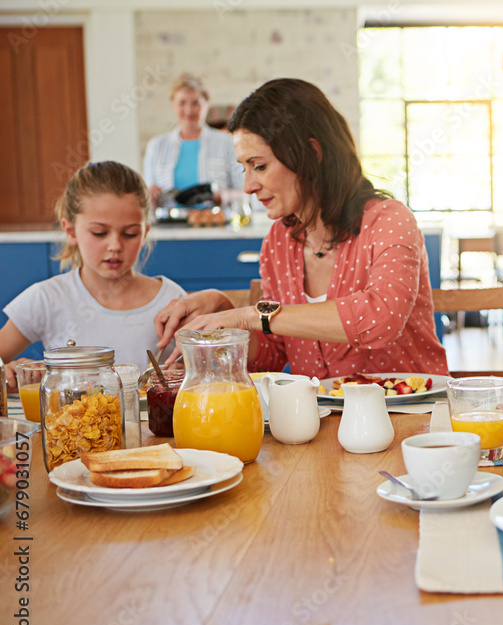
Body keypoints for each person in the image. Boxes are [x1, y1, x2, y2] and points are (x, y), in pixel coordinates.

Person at [154, 78, 448, 379]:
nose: (249, 186)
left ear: (311, 154)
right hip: (319, 423)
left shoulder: (389, 221)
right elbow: (273, 353)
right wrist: (223, 311)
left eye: (260, 166)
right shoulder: (279, 242)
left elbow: (380, 318)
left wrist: (249, 315)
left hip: (412, 418)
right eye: (245, 168)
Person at [1, 161, 186, 391]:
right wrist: (8, 371)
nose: (115, 245)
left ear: (145, 232)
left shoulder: (172, 299)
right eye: (99, 233)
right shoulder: (47, 298)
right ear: (70, 231)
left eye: (130, 233)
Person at [142, 73, 243, 207]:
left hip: (215, 224)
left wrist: (226, 196)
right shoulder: (156, 146)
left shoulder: (227, 142)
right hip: (170, 225)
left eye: (195, 103)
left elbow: (246, 192)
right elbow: (146, 198)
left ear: (206, 104)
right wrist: (151, 195)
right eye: (182, 103)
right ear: (173, 104)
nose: (189, 110)